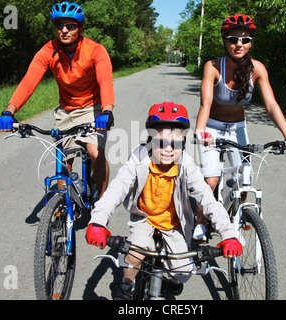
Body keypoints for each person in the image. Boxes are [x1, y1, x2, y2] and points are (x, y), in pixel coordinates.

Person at [85, 102, 241, 300]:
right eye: (161, 143)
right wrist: (97, 222)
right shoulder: (139, 158)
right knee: (134, 253)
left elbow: (208, 200)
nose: (168, 150)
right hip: (145, 218)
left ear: (183, 144)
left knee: (183, 272)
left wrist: (228, 235)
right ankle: (127, 286)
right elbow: (117, 189)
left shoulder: (186, 165)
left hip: (173, 224)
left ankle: (172, 278)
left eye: (176, 144)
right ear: (150, 141)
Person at [193, 14, 286, 241]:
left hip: (237, 128)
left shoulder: (258, 69)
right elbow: (205, 104)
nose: (238, 44)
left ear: (251, 43)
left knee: (245, 179)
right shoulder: (213, 67)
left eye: (244, 40)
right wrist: (200, 131)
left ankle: (233, 224)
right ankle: (201, 222)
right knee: (211, 180)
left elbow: (271, 105)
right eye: (233, 39)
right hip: (211, 128)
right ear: (225, 41)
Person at [0, 2, 114, 198]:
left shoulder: (95, 50)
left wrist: (107, 111)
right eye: (59, 25)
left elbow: (105, 82)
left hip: (93, 108)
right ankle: (60, 207)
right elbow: (28, 82)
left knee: (95, 154)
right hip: (66, 110)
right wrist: (9, 111)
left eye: (71, 26)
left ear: (80, 28)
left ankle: (102, 208)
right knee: (63, 160)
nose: (64, 30)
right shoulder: (48, 50)